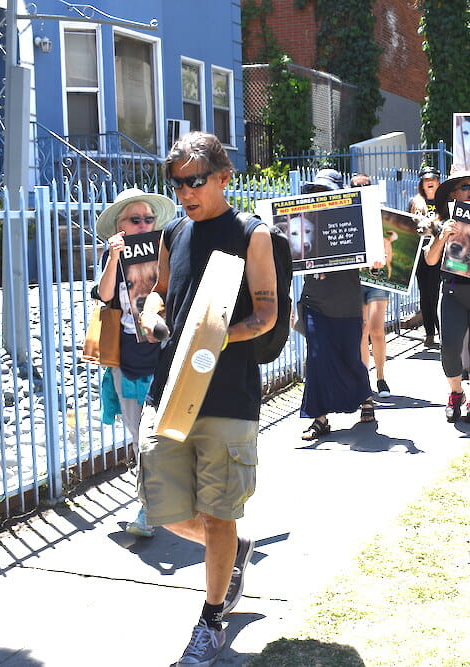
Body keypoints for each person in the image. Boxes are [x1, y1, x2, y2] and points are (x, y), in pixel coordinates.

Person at [137, 132, 278, 667]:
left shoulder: (251, 235)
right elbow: (159, 291)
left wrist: (215, 335)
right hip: (167, 390)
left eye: (196, 180)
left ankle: (212, 618)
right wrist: (151, 313)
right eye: (177, 183)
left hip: (227, 396)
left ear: (224, 177)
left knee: (218, 512)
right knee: (163, 507)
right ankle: (234, 549)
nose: (186, 192)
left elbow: (266, 315)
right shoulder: (174, 232)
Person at [94, 188, 176, 538]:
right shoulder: (112, 256)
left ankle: (158, 503)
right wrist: (114, 257)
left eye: (148, 219)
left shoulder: (167, 252)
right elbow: (105, 295)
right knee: (139, 437)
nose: (143, 224)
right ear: (120, 226)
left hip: (165, 352)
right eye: (135, 219)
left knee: (166, 435)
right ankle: (149, 505)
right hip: (127, 357)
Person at [297, 169, 376, 440]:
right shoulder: (302, 223)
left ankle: (365, 398)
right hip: (315, 301)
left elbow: (373, 263)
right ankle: (318, 419)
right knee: (317, 359)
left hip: (346, 302)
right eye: (317, 193)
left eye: (326, 193)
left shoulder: (355, 224)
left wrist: (375, 260)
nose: (320, 198)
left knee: (350, 358)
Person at [423, 171, 470, 424]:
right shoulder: (442, 223)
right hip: (455, 293)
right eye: (465, 186)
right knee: (449, 348)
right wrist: (443, 236)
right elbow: (430, 259)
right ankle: (456, 393)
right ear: (453, 195)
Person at [351, 174, 392, 397]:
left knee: (376, 328)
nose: (362, 190)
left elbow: (389, 243)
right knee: (361, 330)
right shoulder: (346, 215)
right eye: (357, 187)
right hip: (355, 280)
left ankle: (381, 377)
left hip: (376, 278)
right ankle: (364, 380)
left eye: (366, 186)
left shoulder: (381, 213)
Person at [408, 165, 442, 347]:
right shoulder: (414, 202)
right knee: (425, 293)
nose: (430, 182)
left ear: (438, 181)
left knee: (438, 294)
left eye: (433, 179)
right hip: (420, 253)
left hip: (440, 251)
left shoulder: (444, 202)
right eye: (426, 180)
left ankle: (443, 332)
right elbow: (406, 226)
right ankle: (429, 333)